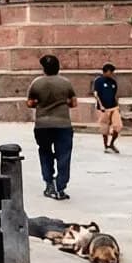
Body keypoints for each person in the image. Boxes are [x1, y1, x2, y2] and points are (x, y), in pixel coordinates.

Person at [26, 54, 77, 200]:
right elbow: (74, 103)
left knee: (45, 153)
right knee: (64, 156)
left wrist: (39, 103)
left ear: (44, 68)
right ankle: (60, 185)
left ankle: (49, 183)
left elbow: (30, 103)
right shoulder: (66, 83)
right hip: (63, 124)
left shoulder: (36, 83)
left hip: (42, 125)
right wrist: (63, 102)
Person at [93, 63, 122, 153]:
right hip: (103, 108)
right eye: (110, 72)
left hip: (113, 107)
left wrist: (117, 106)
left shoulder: (113, 82)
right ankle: (106, 146)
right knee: (104, 128)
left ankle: (112, 143)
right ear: (106, 72)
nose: (112, 73)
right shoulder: (99, 81)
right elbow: (96, 94)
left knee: (118, 126)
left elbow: (115, 95)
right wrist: (101, 105)